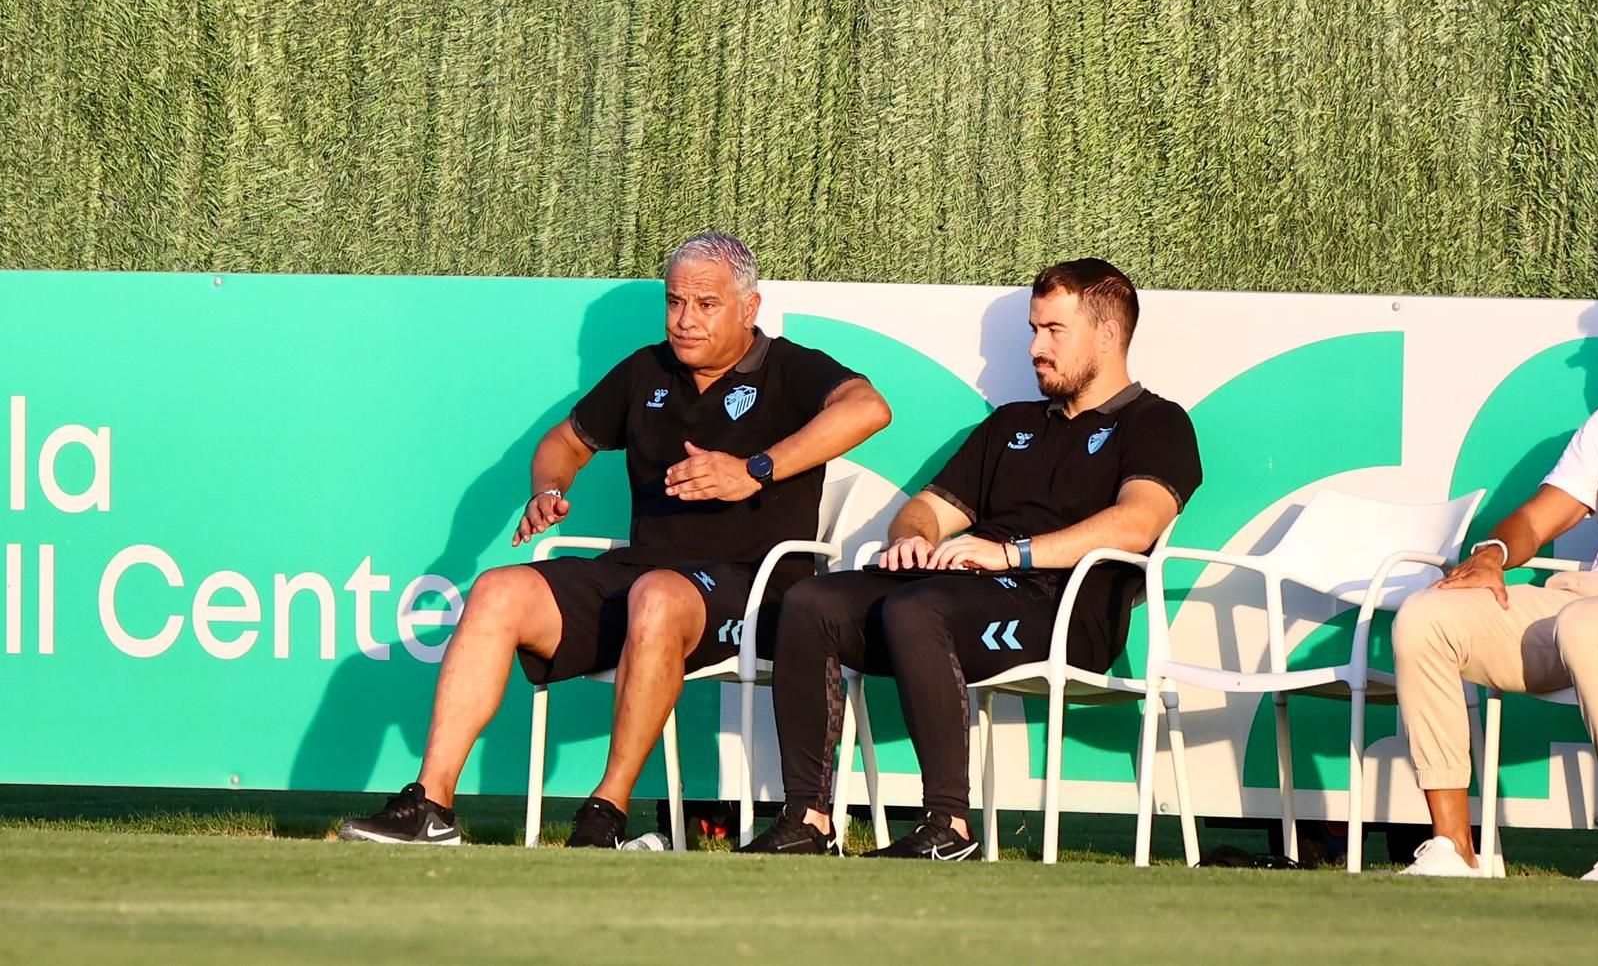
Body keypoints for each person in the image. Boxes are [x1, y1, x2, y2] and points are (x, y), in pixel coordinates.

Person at [339, 233, 891, 846]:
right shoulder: (646, 371)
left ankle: (606, 813)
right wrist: (547, 490)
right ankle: (431, 805)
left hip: (754, 591)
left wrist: (752, 469)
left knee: (656, 595)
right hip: (642, 574)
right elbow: (566, 443)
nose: (685, 320)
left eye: (705, 305)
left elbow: (868, 408)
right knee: (497, 591)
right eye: (674, 301)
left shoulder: (790, 367)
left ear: (749, 308)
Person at [740, 258, 1202, 858]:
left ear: (1108, 335)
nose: (1036, 347)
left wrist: (1009, 555)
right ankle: (807, 817)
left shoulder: (1157, 422)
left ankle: (948, 827)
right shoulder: (1012, 425)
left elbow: (1137, 523)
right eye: (1033, 330)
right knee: (811, 600)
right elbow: (926, 510)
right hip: (969, 595)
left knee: (917, 609)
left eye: (1053, 331)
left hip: (1066, 612)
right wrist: (913, 539)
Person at [1393, 412, 1598, 878]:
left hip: (1588, 623)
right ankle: (1454, 850)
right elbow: (1535, 519)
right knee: (1426, 618)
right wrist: (1494, 555)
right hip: (1584, 602)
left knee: (1585, 626)